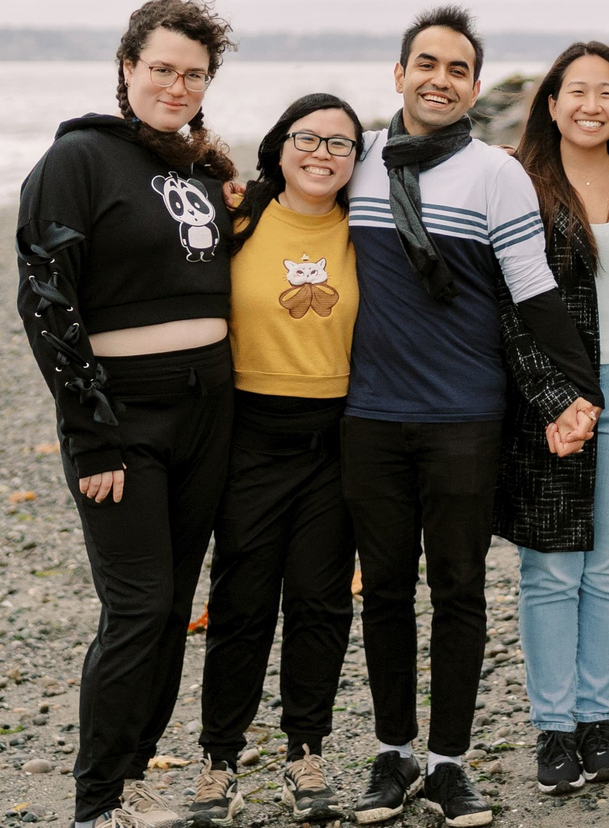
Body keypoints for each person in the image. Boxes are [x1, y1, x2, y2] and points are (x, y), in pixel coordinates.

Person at [343, 6, 603, 828]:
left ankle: (451, 762)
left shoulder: (495, 172)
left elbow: (534, 290)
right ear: (399, 74)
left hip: (465, 414)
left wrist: (578, 388)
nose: (440, 79)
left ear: (476, 86)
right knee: (383, 589)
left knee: (458, 589)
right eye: (426, 63)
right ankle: (394, 753)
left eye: (458, 69)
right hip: (370, 415)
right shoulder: (355, 162)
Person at [15, 0, 241, 828]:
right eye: (162, 69)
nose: (176, 85)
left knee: (174, 604)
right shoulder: (78, 158)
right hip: (124, 422)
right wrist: (90, 433)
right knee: (139, 608)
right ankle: (96, 804)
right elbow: (45, 300)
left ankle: (135, 784)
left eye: (194, 73)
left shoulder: (200, 169)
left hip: (210, 411)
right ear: (126, 67)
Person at [498, 42, 609, 797]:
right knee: (551, 566)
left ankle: (597, 718)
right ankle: (553, 728)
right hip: (555, 394)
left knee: (608, 566)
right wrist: (551, 398)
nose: (592, 104)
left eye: (608, 91)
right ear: (551, 101)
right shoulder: (520, 185)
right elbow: (507, 307)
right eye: (577, 91)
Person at [185, 94, 366, 826]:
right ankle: (217, 760)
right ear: (280, 145)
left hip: (337, 438)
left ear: (358, 159)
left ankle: (305, 754)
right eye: (307, 137)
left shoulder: (369, 225)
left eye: (340, 143)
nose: (321, 153)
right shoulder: (240, 213)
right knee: (242, 602)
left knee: (321, 602)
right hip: (250, 436)